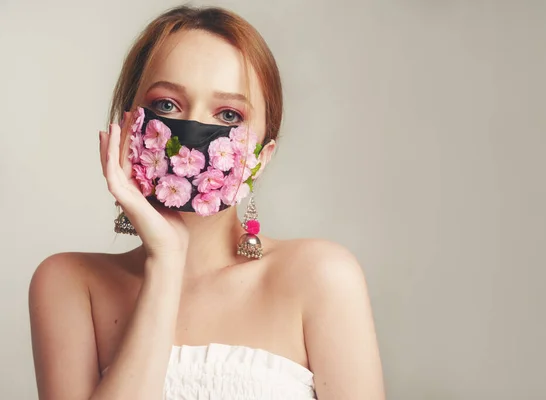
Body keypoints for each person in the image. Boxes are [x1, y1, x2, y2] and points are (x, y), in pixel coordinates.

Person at [28, 6, 385, 400]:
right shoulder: (70, 284)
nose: (194, 128)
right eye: (166, 105)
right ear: (128, 127)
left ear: (261, 157)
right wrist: (166, 261)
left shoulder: (321, 278)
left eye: (229, 114)